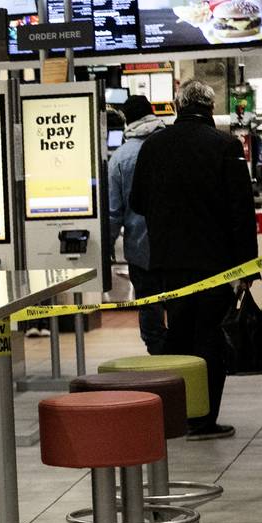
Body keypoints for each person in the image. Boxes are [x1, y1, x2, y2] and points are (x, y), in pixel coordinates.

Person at [130, 80, 258, 441]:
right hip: (215, 264)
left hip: (170, 262)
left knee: (178, 337)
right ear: (211, 106)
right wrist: (248, 267)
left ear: (176, 105)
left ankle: (176, 415)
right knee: (210, 340)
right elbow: (241, 212)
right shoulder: (224, 145)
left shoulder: (153, 146)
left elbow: (138, 202)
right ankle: (204, 420)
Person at [109, 95, 168, 355]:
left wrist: (106, 249)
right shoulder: (173, 145)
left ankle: (159, 358)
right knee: (182, 304)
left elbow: (113, 212)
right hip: (178, 246)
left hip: (140, 249)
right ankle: (184, 360)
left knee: (150, 309)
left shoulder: (121, 157)